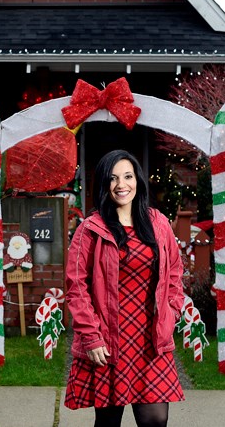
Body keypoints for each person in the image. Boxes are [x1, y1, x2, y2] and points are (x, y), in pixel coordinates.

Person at [64, 150, 185, 427]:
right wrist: (91, 337)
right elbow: (76, 287)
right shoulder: (91, 229)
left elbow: (175, 272)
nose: (122, 184)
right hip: (109, 339)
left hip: (151, 338)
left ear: (138, 181)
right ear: (104, 184)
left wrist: (172, 311)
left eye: (128, 176)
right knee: (108, 421)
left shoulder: (158, 224)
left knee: (155, 419)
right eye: (113, 178)